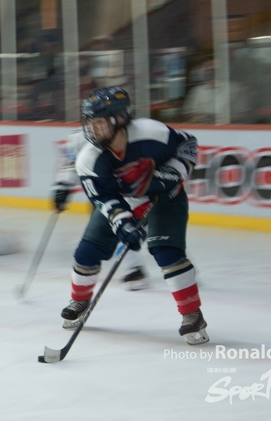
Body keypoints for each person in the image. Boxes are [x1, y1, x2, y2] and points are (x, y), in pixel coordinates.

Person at [60, 86, 209, 346]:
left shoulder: (151, 132)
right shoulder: (89, 159)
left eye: (99, 122)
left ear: (120, 118)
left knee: (167, 253)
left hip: (165, 196)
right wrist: (124, 225)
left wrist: (174, 173)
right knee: (87, 252)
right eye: (90, 123)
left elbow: (187, 145)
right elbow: (104, 199)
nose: (92, 129)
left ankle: (192, 315)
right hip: (123, 199)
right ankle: (79, 301)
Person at [52, 128, 149, 291]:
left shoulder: (125, 131)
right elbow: (72, 164)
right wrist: (63, 187)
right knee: (115, 230)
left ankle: (168, 264)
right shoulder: (78, 137)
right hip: (102, 195)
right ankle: (133, 268)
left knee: (145, 227)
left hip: (131, 191)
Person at [182, 59, 251, 124]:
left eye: (213, 68)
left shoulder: (234, 88)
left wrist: (222, 120)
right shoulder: (197, 91)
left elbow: (242, 114)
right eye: (206, 67)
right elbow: (189, 113)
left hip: (226, 128)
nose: (209, 70)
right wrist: (198, 117)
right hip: (201, 129)